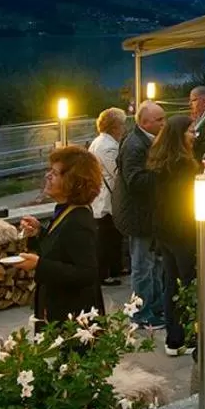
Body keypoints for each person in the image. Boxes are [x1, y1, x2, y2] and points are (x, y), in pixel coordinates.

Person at [13, 146, 106, 323]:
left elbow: (87, 273)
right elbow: (60, 249)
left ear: (73, 181)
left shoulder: (79, 221)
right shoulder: (65, 210)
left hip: (72, 317)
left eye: (55, 174)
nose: (48, 176)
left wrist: (39, 265)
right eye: (50, 171)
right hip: (60, 308)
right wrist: (38, 233)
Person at [147, 114, 202, 356]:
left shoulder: (158, 162)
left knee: (171, 283)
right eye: (191, 132)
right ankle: (191, 336)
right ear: (180, 136)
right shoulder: (185, 165)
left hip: (164, 231)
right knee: (190, 284)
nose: (194, 136)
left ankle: (173, 338)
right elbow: (189, 200)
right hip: (183, 230)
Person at [116, 101, 166, 328]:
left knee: (154, 262)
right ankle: (141, 313)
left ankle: (155, 307)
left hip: (147, 214)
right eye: (160, 120)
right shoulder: (135, 145)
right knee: (142, 265)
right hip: (137, 215)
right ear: (145, 122)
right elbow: (134, 181)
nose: (164, 124)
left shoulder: (147, 140)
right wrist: (162, 174)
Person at [88, 108, 127, 286]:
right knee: (106, 237)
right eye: (122, 124)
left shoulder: (99, 142)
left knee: (111, 235)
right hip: (106, 199)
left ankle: (114, 268)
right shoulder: (108, 146)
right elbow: (117, 171)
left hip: (102, 197)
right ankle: (105, 273)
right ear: (115, 126)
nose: (124, 128)